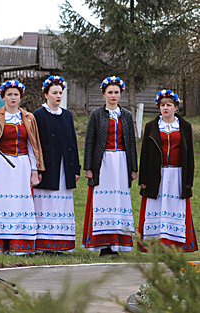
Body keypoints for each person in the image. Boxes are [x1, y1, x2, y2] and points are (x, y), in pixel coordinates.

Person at [0, 80, 44, 255]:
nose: (13, 98)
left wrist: (35, 170)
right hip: (2, 165)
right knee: (3, 203)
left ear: (20, 97)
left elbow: (33, 146)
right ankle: (1, 245)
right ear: (3, 97)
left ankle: (20, 244)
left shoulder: (28, 117)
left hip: (22, 165)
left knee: (20, 204)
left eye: (16, 94)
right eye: (9, 94)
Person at [82, 76, 138, 256]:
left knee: (119, 201)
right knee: (104, 200)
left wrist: (133, 168)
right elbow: (89, 141)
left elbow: (131, 142)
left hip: (121, 162)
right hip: (103, 162)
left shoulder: (127, 115)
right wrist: (89, 167)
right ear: (104, 94)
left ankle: (118, 244)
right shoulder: (96, 114)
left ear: (121, 94)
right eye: (110, 92)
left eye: (116, 92)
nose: (113, 96)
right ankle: (104, 245)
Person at [138, 90, 197, 252]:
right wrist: (143, 178)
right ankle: (155, 243)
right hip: (157, 174)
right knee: (157, 205)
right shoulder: (151, 126)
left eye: (169, 105)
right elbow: (145, 155)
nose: (165, 108)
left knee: (174, 206)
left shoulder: (184, 126)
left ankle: (175, 243)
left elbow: (190, 155)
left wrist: (188, 181)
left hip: (177, 174)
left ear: (176, 107)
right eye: (162, 105)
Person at [33, 76, 80, 253]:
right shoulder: (38, 115)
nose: (58, 96)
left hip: (64, 167)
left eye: (60, 92)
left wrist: (75, 168)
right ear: (46, 95)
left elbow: (73, 143)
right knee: (46, 203)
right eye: (54, 93)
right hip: (47, 166)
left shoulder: (67, 115)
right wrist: (37, 167)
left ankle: (61, 243)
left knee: (62, 204)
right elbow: (36, 143)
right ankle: (44, 243)